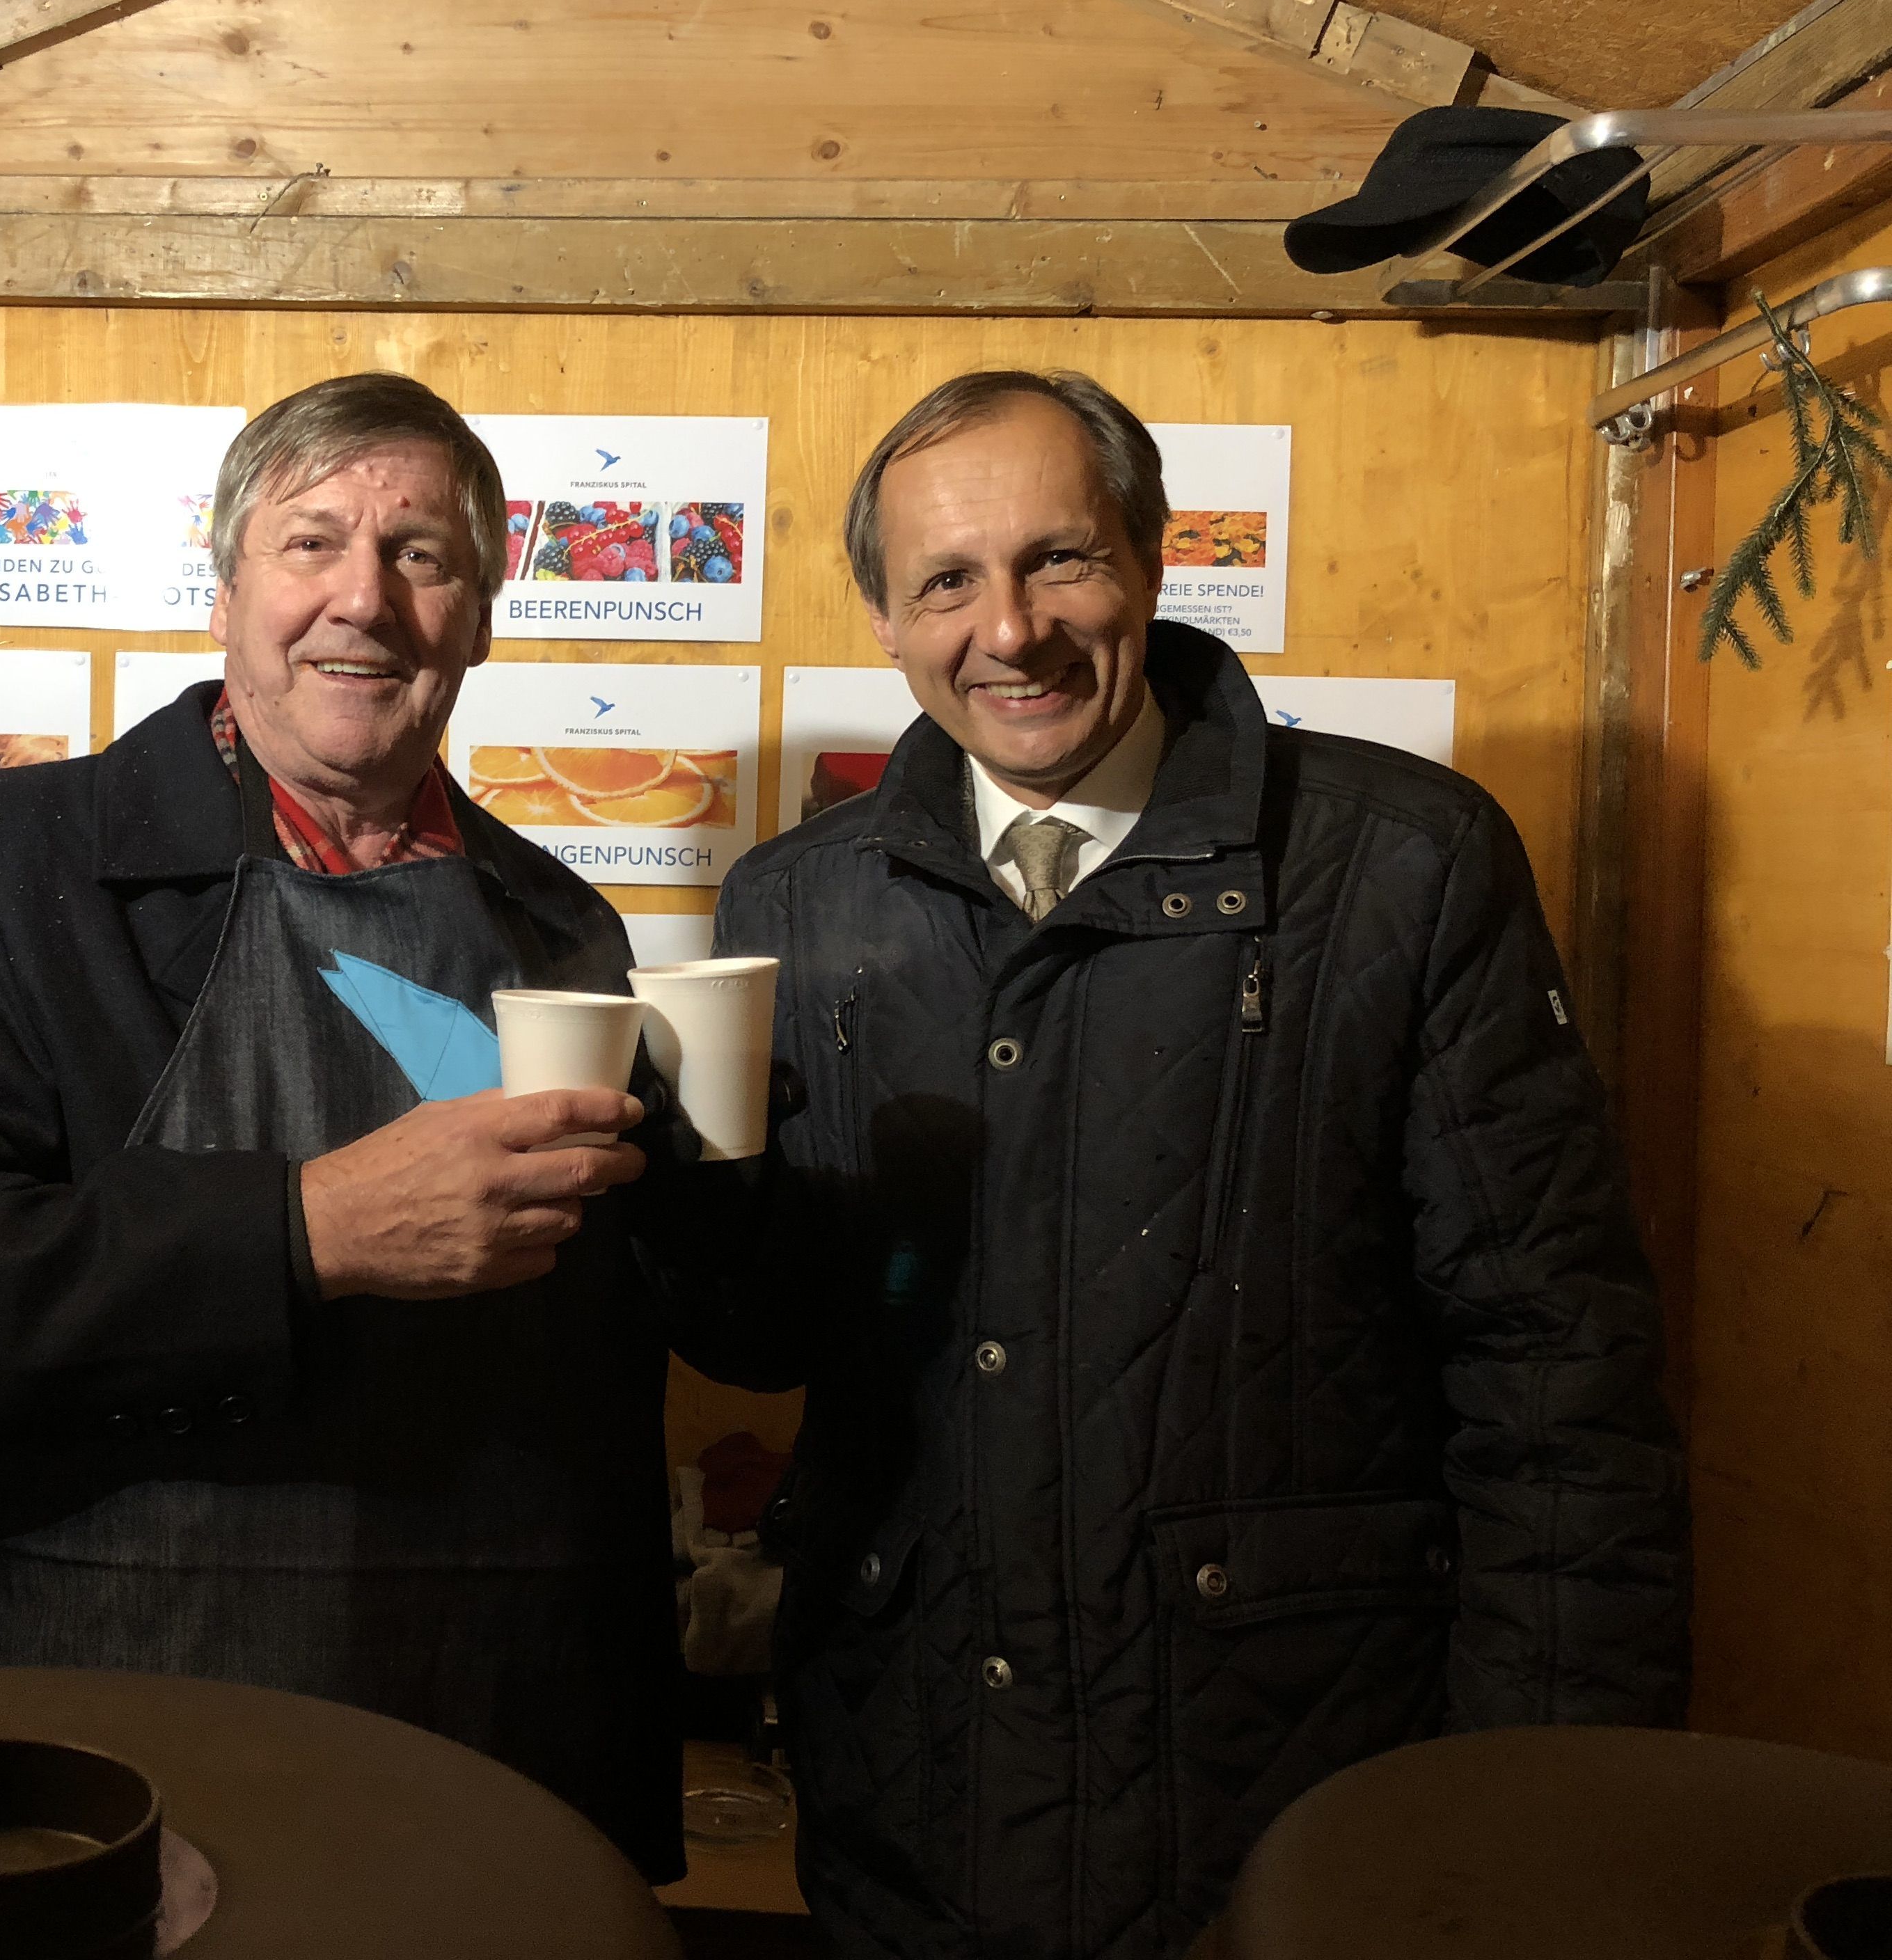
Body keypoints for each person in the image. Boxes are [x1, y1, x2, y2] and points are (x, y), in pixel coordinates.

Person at [650, 370, 1687, 1958]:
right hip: (910, 1798)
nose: (1011, 630)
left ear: (1150, 555)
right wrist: (676, 1194)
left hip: (1295, 1799)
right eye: (947, 581)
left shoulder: (1403, 863)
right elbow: (775, 1338)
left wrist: (1539, 1809)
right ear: (882, 618)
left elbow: (1558, 1379)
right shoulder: (796, 899)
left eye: (1059, 559)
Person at [0, 372, 681, 1877]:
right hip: (123, 1748)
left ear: (485, 614)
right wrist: (304, 1233)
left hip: (491, 1758)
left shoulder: (558, 917)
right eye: (312, 544)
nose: (363, 601)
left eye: (424, 556)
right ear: (227, 592)